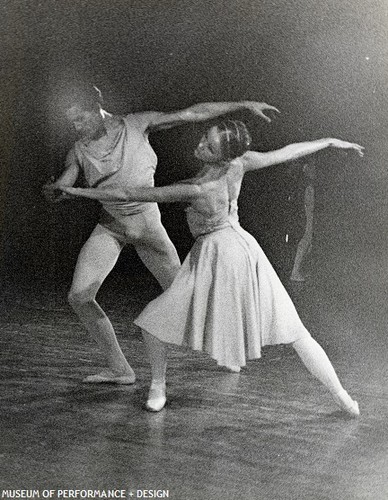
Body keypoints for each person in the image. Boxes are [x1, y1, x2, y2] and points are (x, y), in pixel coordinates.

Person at [60, 120, 363, 417]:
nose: (201, 145)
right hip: (244, 247)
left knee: (152, 323)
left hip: (219, 251)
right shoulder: (240, 163)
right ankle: (343, 398)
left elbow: (130, 195)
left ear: (224, 156)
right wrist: (328, 141)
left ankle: (158, 387)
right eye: (206, 137)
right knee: (293, 331)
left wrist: (78, 193)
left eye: (210, 146)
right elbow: (286, 152)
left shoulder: (200, 188)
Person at [43, 85, 279, 385]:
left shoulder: (136, 124)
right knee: (79, 296)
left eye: (81, 119)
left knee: (187, 298)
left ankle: (226, 351)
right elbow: (66, 180)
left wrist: (242, 102)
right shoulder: (78, 149)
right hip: (111, 228)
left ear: (97, 108)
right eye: (72, 122)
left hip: (148, 228)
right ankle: (121, 370)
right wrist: (57, 192)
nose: (76, 127)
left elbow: (192, 113)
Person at [290, 161, 316, 281]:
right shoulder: (307, 186)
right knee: (305, 241)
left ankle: (298, 270)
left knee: (308, 243)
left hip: (307, 216)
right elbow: (308, 204)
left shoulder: (307, 184)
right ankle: (294, 272)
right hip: (306, 216)